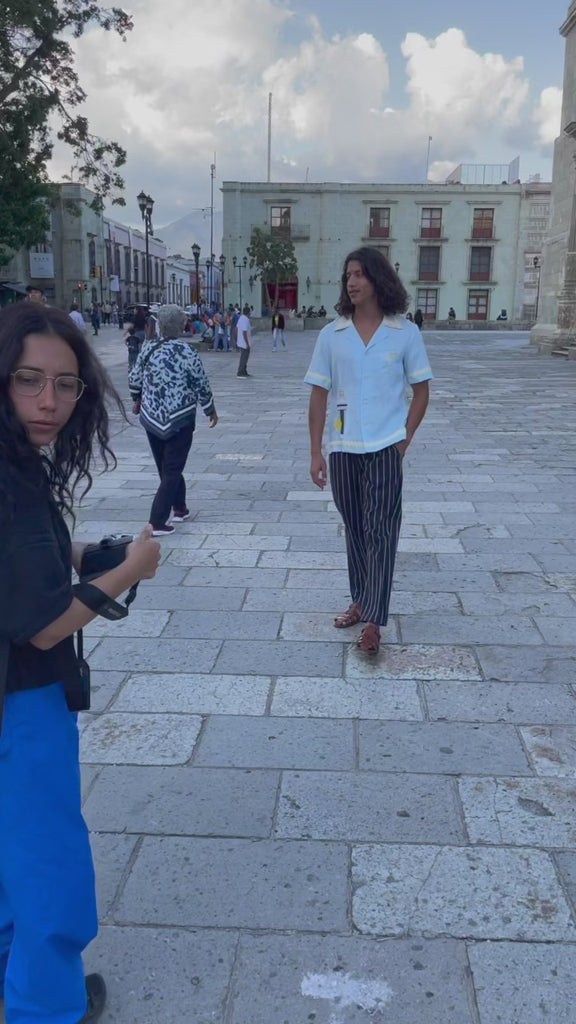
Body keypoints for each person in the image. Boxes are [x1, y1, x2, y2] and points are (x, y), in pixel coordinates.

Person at [0, 302, 161, 1023]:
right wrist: (131, 571)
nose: (48, 401)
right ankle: (48, 1008)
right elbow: (40, 626)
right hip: (21, 701)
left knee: (10, 864)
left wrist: (85, 556)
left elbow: (24, 562)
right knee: (47, 866)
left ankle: (17, 983)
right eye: (29, 380)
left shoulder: (13, 463)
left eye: (66, 385)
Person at [305, 247, 433, 655]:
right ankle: (360, 599)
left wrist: (404, 438)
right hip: (343, 449)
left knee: (382, 531)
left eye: (360, 274)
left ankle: (375, 620)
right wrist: (316, 452)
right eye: (348, 275)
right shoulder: (332, 334)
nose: (352, 282)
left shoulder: (404, 333)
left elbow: (422, 390)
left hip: (384, 448)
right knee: (357, 530)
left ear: (379, 280)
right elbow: (318, 396)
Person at [129, 305, 218, 535]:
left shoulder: (148, 349)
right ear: (181, 325)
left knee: (166, 467)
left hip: (152, 418)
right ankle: (157, 521)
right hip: (180, 418)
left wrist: (137, 398)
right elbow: (201, 383)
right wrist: (210, 409)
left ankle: (180, 508)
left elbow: (134, 380)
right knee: (172, 468)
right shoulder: (187, 352)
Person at [236, 304, 252, 377]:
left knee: (243, 357)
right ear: (248, 313)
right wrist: (247, 344)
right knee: (244, 358)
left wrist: (237, 339)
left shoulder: (241, 318)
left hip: (240, 342)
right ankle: (241, 371)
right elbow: (244, 332)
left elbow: (237, 329)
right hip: (244, 343)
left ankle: (244, 370)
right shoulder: (246, 320)